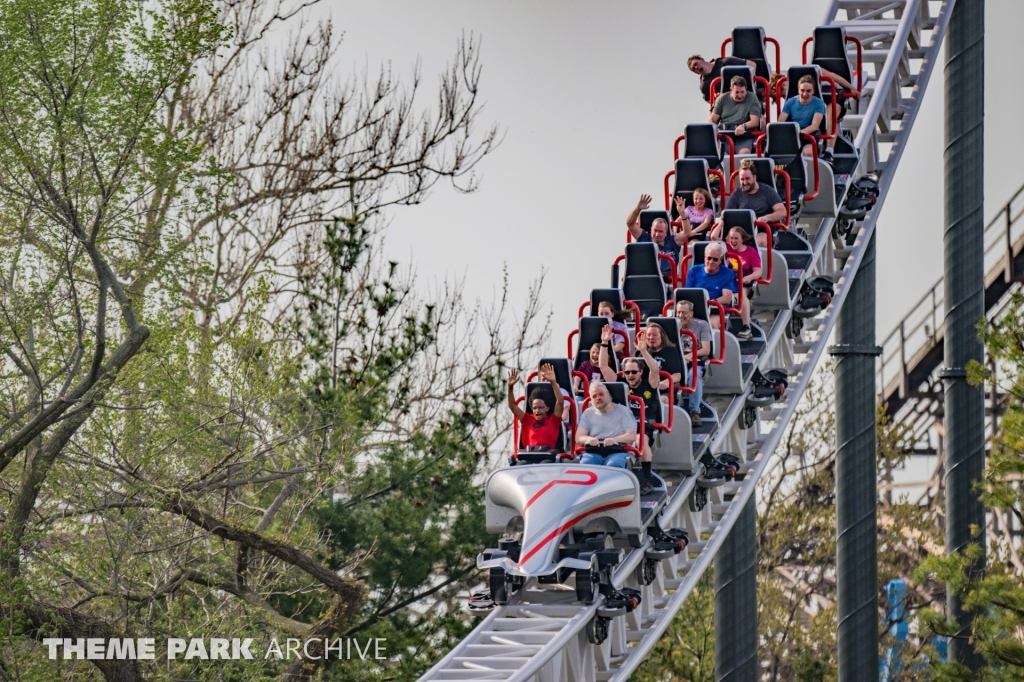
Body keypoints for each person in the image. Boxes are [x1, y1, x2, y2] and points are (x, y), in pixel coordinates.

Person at [596, 326, 658, 494]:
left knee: (640, 440)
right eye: (627, 372)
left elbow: (654, 370)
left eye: (634, 372)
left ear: (640, 372)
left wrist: (644, 352)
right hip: (620, 426)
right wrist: (604, 343)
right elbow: (603, 366)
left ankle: (646, 479)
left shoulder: (649, 385)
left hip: (641, 425)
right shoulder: (620, 384)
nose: (630, 375)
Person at [685, 240, 751, 339]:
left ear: (720, 260)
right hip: (695, 309)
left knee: (710, 324)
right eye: (709, 258)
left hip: (715, 310)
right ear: (704, 257)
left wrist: (710, 303)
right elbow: (687, 293)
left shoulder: (727, 273)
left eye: (715, 259)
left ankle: (713, 350)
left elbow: (727, 298)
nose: (711, 262)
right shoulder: (694, 270)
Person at [711, 159, 787, 243]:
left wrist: (766, 218)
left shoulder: (768, 191)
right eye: (742, 179)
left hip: (761, 229)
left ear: (754, 177)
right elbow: (726, 215)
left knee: (760, 241)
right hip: (740, 231)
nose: (745, 182)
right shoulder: (737, 193)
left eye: (747, 179)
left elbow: (782, 212)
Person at [576, 382, 638, 470]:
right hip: (594, 451)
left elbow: (632, 436)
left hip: (618, 450)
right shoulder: (588, 413)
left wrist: (614, 440)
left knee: (612, 465)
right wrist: (589, 439)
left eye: (601, 394)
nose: (598, 398)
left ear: (608, 395)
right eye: (594, 396)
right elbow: (579, 437)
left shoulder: (623, 411)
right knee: (586, 464)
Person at [627, 194, 689, 281]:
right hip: (647, 277)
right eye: (655, 230)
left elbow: (687, 233)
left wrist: (682, 213)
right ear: (651, 230)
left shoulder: (672, 241)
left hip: (667, 279)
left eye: (660, 231)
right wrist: (638, 209)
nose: (657, 234)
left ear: (666, 232)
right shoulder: (644, 238)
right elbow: (630, 223)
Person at [507, 364, 564, 452]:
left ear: (547, 408)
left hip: (547, 456)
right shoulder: (527, 420)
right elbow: (512, 406)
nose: (537, 410)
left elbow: (560, 401)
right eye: (534, 408)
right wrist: (510, 388)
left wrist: (553, 382)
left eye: (540, 407)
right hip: (529, 456)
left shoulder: (553, 420)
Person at [674, 300, 713, 426]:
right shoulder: (673, 324)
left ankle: (695, 411)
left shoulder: (702, 325)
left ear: (691, 313)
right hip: (677, 360)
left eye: (684, 313)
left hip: (695, 361)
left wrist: (690, 355)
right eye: (678, 312)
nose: (680, 315)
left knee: (693, 375)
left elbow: (706, 349)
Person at [709, 76, 761, 155]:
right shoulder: (722, 98)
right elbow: (713, 120)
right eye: (737, 92)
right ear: (731, 90)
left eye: (742, 92)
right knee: (721, 154)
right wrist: (714, 128)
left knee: (744, 153)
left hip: (743, 136)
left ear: (746, 89)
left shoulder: (752, 98)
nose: (740, 95)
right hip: (725, 136)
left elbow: (755, 121)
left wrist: (743, 126)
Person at [778, 75, 826, 157]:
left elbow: (814, 126)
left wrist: (797, 134)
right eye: (802, 90)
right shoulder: (790, 102)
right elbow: (780, 122)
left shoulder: (819, 103)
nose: (804, 94)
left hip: (810, 135)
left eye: (808, 91)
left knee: (808, 153)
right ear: (798, 90)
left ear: (813, 91)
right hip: (794, 132)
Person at [687, 54, 757, 103]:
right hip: (731, 104)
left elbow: (752, 64)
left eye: (696, 64)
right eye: (694, 69)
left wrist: (750, 82)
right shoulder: (704, 85)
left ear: (702, 59)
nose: (696, 67)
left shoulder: (725, 62)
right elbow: (710, 101)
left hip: (748, 94)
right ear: (696, 73)